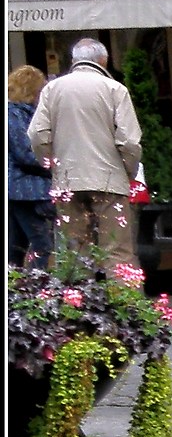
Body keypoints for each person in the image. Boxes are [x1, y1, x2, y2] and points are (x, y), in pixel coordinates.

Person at [27, 39, 140, 271]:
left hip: (67, 180)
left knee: (75, 252)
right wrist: (128, 171)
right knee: (117, 253)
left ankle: (77, 305)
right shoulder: (115, 89)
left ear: (74, 60)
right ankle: (125, 305)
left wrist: (50, 163)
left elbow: (37, 134)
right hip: (110, 180)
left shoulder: (52, 88)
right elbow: (129, 140)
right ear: (103, 60)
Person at [7, 65, 53, 268]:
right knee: (42, 245)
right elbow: (24, 152)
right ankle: (35, 293)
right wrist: (54, 165)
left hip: (17, 189)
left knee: (16, 247)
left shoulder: (17, 113)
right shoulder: (15, 115)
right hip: (25, 190)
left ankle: (16, 293)